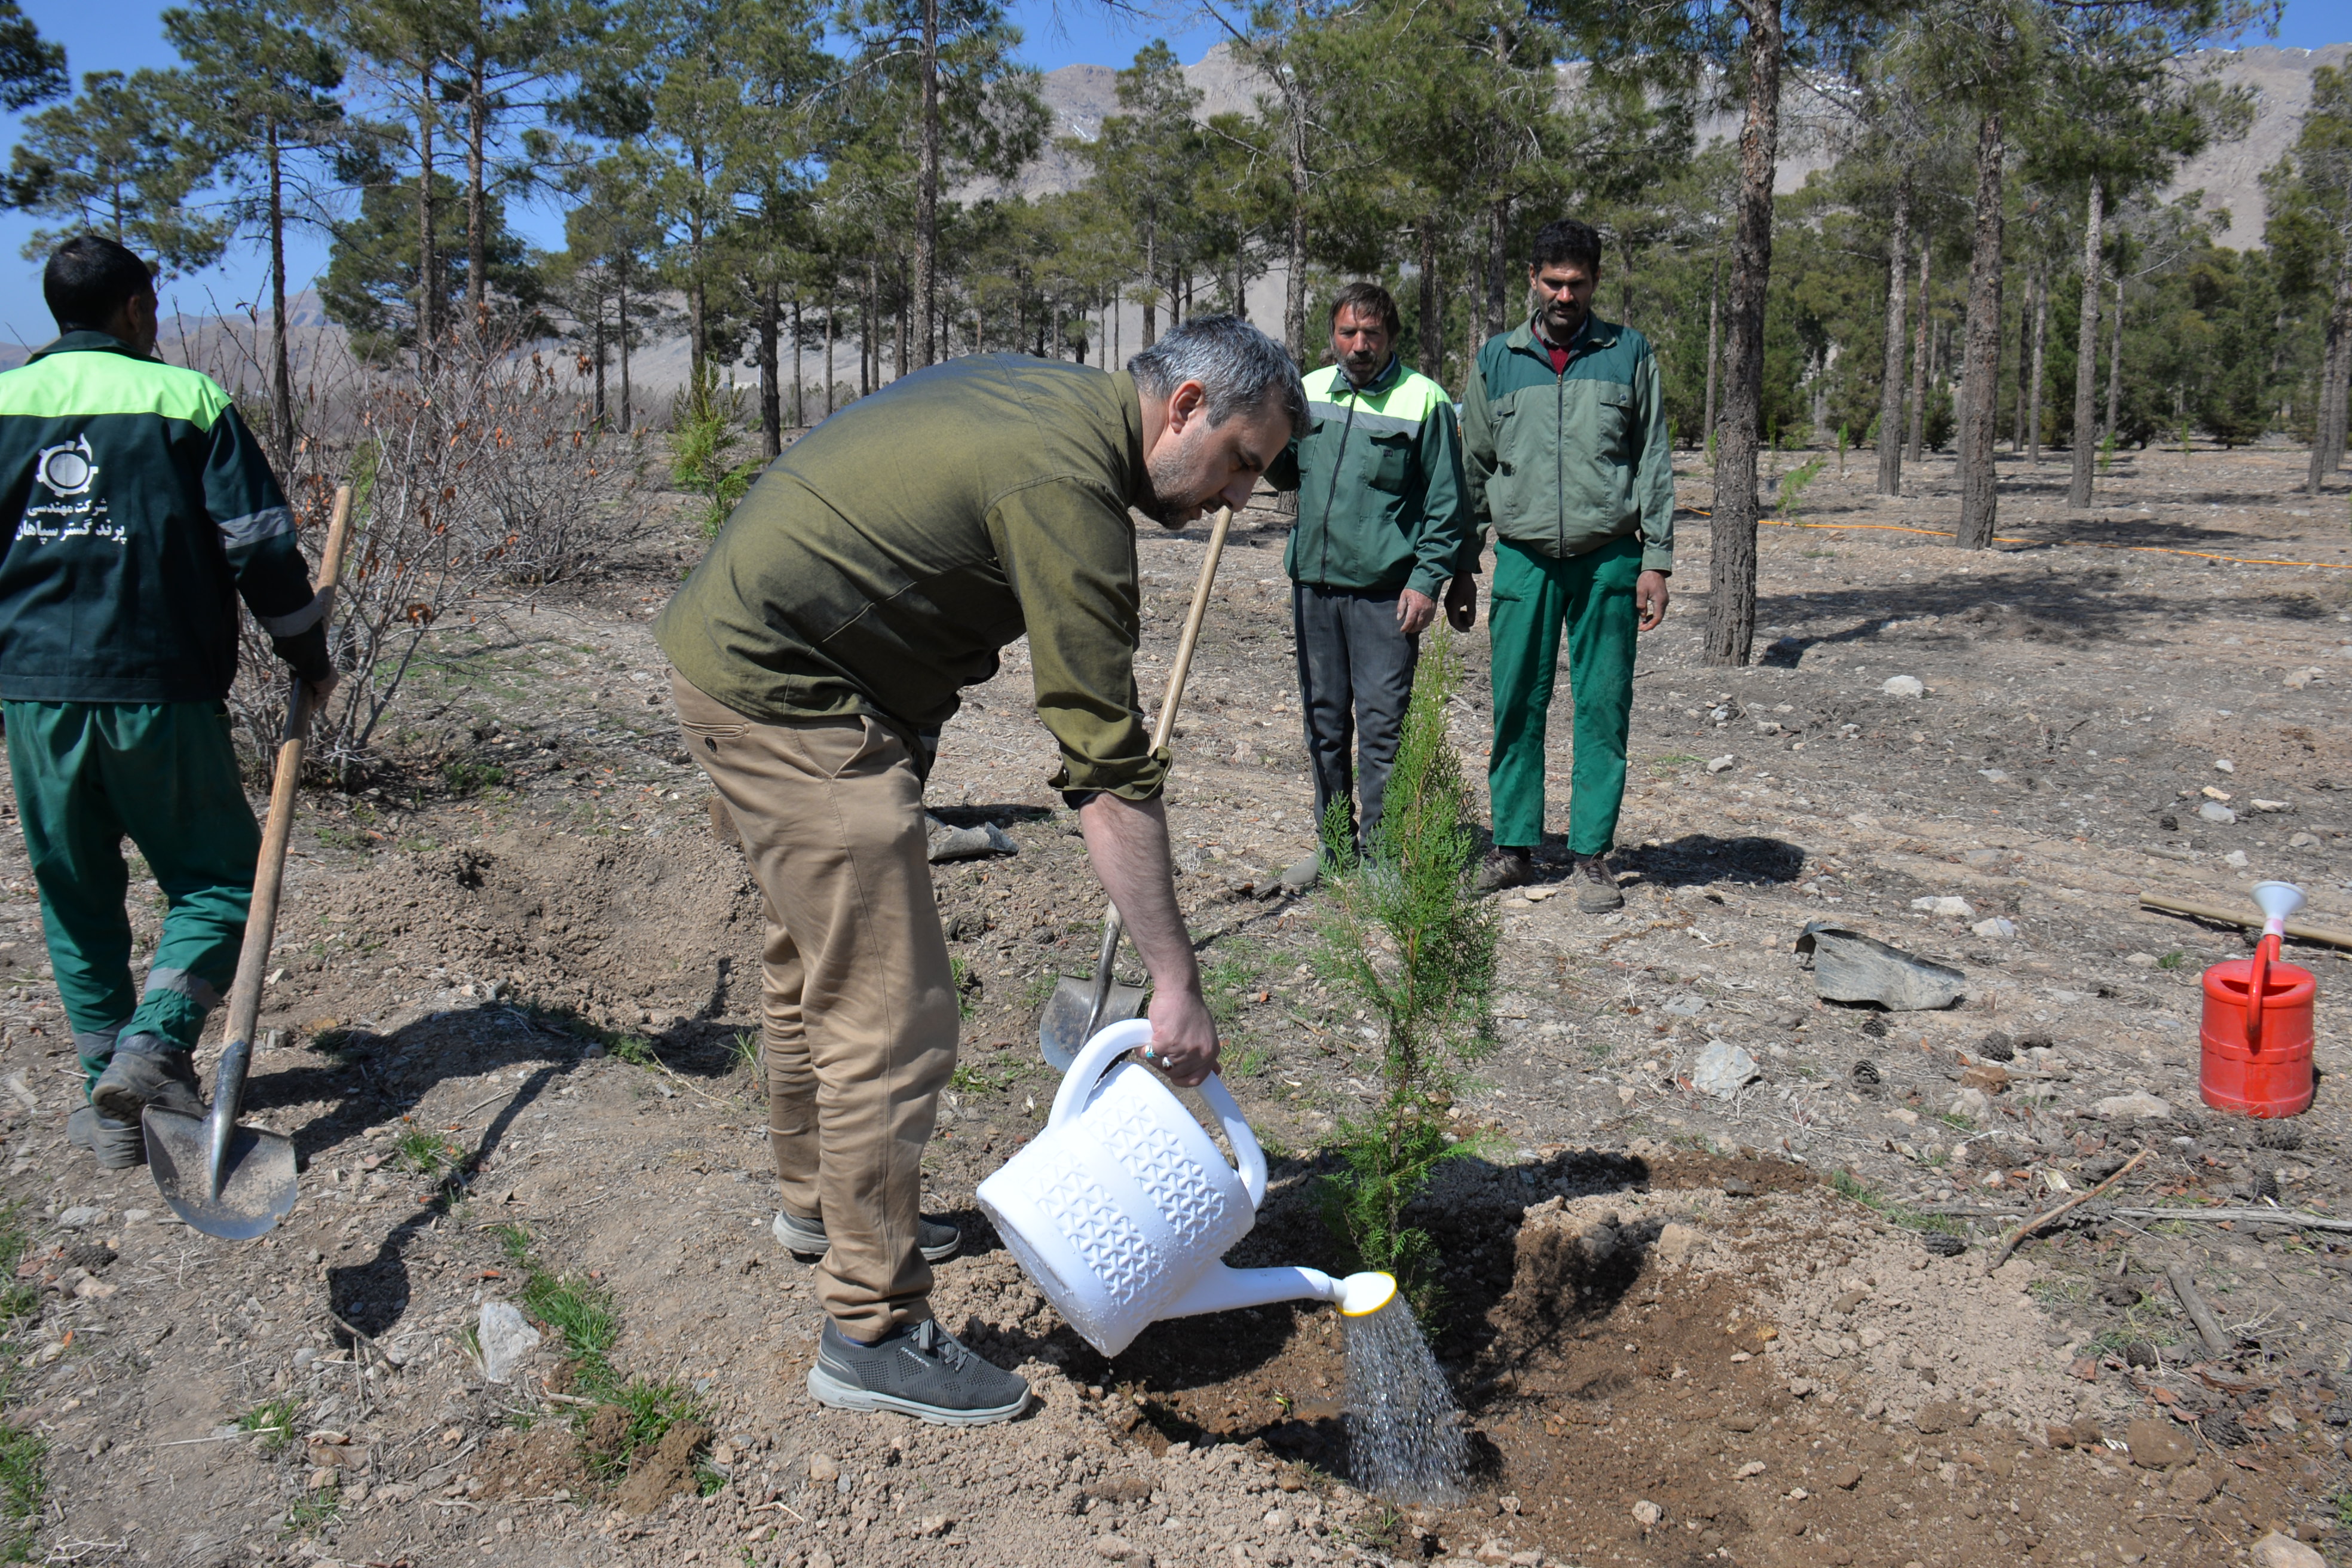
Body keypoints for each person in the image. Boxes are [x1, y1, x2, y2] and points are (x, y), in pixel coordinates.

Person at [654, 315, 1303, 1426]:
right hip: (789, 690)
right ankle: (872, 1329)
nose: (1240, 497)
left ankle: (822, 1208)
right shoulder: (1068, 488)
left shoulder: (1057, 409)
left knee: (813, 959)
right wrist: (1175, 980)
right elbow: (1106, 770)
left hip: (759, 657)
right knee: (890, 1011)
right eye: (1242, 460)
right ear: (1186, 406)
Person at [0, 235, 336, 1167]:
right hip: (159, 690)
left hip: (33, 696)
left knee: (76, 897)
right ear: (138, 309)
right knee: (223, 880)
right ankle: (150, 1054)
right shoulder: (186, 401)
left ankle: (111, 1108)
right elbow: (258, 542)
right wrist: (305, 650)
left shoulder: (4, 403)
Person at [1460, 218, 1674, 908]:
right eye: (1552, 282)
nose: (1564, 295)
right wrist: (1462, 560)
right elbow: (1473, 466)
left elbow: (1652, 459)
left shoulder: (1629, 353)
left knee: (1603, 705)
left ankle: (1591, 856)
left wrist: (1657, 559)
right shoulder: (1498, 360)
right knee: (1516, 702)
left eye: (1576, 283)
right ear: (1533, 279)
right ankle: (1514, 848)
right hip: (1523, 559)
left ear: (1595, 281)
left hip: (1609, 559)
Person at [1267, 283, 1474, 888]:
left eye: (1372, 334)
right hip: (1314, 587)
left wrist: (1428, 580)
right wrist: (1256, 430)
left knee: (1384, 728)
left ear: (1391, 337)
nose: (1359, 345)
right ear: (1332, 336)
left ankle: (1384, 857)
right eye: (1348, 333)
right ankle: (1335, 849)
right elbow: (1283, 469)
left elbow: (1446, 504)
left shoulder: (1424, 400)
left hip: (1387, 593)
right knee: (1323, 723)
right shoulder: (1307, 392)